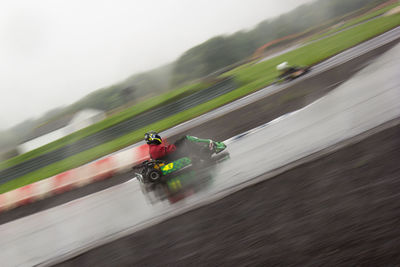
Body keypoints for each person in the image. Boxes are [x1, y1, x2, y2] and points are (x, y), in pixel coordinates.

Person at [144, 131, 216, 161]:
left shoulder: (152, 148)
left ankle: (200, 152)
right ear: (152, 138)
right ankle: (204, 152)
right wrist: (177, 145)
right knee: (186, 139)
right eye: (155, 135)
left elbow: (165, 151)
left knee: (184, 141)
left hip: (170, 156)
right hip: (172, 157)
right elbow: (169, 150)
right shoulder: (155, 149)